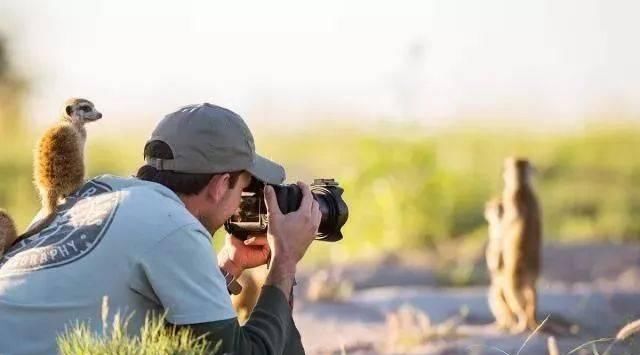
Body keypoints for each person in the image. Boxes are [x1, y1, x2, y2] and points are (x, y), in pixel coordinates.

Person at [0, 103, 320, 354]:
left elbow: (169, 333)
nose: (240, 201)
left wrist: (228, 266)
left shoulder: (99, 191)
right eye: (243, 189)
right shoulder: (175, 226)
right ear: (222, 185)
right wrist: (284, 262)